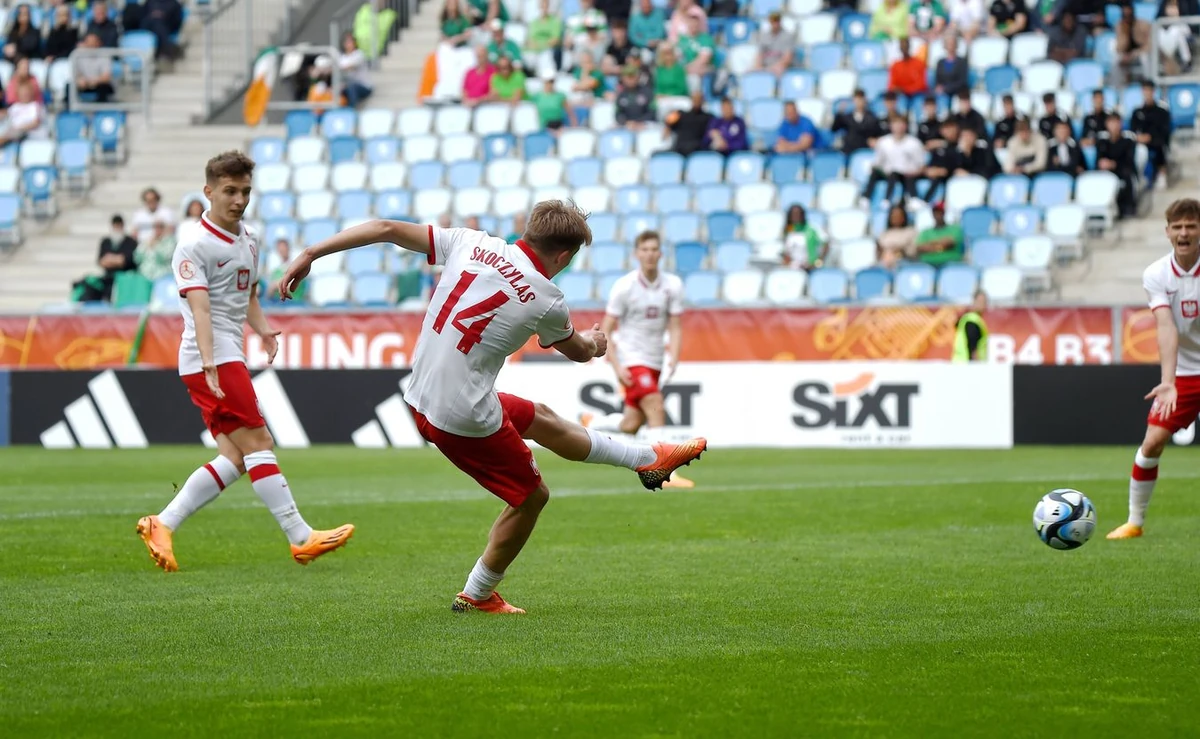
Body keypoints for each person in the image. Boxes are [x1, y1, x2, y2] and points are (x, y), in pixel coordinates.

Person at [277, 201, 708, 614]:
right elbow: (579, 351)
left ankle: (647, 459)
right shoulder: (547, 297)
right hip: (460, 416)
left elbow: (388, 229)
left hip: (422, 395)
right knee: (531, 497)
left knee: (538, 416)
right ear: (564, 256)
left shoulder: (470, 242)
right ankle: (478, 593)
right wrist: (596, 343)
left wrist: (313, 251)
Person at [137, 151, 355, 572]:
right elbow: (201, 310)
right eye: (230, 191)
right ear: (209, 192)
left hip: (226, 353)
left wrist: (263, 329)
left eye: (245, 192)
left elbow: (247, 293)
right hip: (212, 358)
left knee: (236, 458)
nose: (238, 200)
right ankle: (300, 536)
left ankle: (161, 523)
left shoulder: (249, 238)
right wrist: (209, 362)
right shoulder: (193, 246)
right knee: (260, 444)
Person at [1108, 199, 1200, 541]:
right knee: (1152, 442)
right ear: (1167, 233)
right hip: (1185, 374)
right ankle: (1134, 522)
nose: (1184, 232)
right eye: (1177, 227)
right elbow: (1166, 326)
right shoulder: (1156, 274)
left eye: (1190, 225)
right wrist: (1168, 382)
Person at [586, 231, 695, 489]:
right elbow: (608, 330)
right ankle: (665, 469)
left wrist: (675, 356)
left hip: (656, 359)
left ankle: (593, 422)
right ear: (637, 254)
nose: (649, 254)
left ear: (660, 254)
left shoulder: (673, 286)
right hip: (632, 358)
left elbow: (676, 325)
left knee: (631, 424)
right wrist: (617, 365)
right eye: (644, 249)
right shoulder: (624, 287)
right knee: (656, 403)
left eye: (654, 249)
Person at [861, 115, 925, 206]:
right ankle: (866, 198)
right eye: (895, 123)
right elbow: (878, 162)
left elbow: (922, 165)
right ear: (890, 126)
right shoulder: (883, 142)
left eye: (901, 123)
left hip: (907, 175)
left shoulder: (915, 143)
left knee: (900, 175)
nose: (898, 126)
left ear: (906, 126)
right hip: (888, 173)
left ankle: (913, 198)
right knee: (875, 172)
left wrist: (913, 172)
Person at [1131, 81, 1172, 191]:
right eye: (1145, 91)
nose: (1147, 93)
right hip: (1140, 141)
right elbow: (1132, 130)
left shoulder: (1162, 111)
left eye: (1149, 91)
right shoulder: (1137, 112)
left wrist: (1150, 137)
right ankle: (1138, 177)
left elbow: (1164, 130)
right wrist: (1139, 138)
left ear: (1153, 92)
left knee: (1160, 144)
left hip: (1156, 140)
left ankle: (1161, 173)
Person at [1096, 112, 1139, 218]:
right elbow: (1099, 158)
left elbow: (1129, 160)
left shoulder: (1128, 139)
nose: (1113, 126)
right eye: (1111, 122)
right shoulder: (1102, 140)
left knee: (1126, 176)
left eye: (1116, 122)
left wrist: (1113, 164)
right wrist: (1103, 163)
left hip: (1123, 169)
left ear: (1121, 123)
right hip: (1107, 172)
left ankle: (1127, 207)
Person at [915, 202, 964, 266]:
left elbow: (949, 243)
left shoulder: (955, 229)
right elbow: (920, 247)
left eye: (940, 212)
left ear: (944, 213)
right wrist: (941, 246)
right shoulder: (925, 232)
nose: (938, 215)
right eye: (935, 212)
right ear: (932, 214)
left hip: (950, 265)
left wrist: (931, 245)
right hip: (928, 265)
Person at [923, 119, 961, 202]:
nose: (949, 132)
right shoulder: (939, 148)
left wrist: (945, 170)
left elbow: (958, 164)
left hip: (952, 177)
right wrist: (930, 170)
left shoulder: (960, 146)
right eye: (946, 129)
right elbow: (933, 162)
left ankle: (926, 201)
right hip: (938, 175)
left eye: (951, 128)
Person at [833, 89, 881, 153]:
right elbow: (834, 128)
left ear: (865, 100)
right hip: (849, 150)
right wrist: (839, 114)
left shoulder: (872, 117)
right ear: (853, 100)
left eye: (861, 99)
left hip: (865, 150)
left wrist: (875, 140)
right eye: (857, 99)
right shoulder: (847, 117)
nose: (859, 102)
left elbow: (877, 133)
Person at [666, 91, 713, 155]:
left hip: (696, 149)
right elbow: (669, 123)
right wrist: (668, 125)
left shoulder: (708, 117)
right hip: (679, 148)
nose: (697, 101)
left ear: (702, 101)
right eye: (695, 99)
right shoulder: (682, 115)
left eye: (699, 99)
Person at [781, 204, 828, 270]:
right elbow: (786, 251)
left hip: (812, 267)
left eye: (798, 214)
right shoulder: (788, 230)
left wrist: (818, 261)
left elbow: (826, 243)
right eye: (793, 215)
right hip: (794, 268)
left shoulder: (812, 228)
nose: (796, 217)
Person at [73, 33, 115, 104]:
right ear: (85, 44)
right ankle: (71, 111)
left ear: (98, 43)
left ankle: (101, 111)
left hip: (98, 84)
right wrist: (80, 80)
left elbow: (106, 77)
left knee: (104, 87)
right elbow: (76, 73)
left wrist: (94, 81)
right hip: (84, 84)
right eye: (89, 43)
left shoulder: (104, 55)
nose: (91, 46)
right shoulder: (78, 55)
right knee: (69, 86)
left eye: (93, 43)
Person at [952, 290, 988, 361]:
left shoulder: (966, 318)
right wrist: (975, 363)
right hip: (967, 365)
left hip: (959, 363)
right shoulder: (973, 320)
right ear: (973, 302)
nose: (982, 304)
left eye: (984, 302)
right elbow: (972, 346)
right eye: (980, 301)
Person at [338, 34, 373, 107]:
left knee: (352, 86)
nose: (349, 44)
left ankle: (352, 110)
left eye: (351, 42)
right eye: (347, 42)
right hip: (348, 86)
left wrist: (335, 68)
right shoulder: (342, 57)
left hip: (364, 87)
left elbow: (349, 66)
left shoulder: (359, 54)